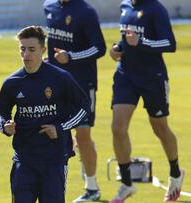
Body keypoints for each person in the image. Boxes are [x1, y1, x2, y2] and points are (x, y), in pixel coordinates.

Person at [0, 25, 90, 203]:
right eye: (22, 49)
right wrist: (5, 126)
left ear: (43, 49)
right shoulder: (11, 83)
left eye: (31, 49)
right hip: (23, 160)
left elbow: (83, 107)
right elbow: (2, 111)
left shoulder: (61, 78)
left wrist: (60, 127)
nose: (26, 55)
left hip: (54, 160)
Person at [109, 0, 184, 202]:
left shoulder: (156, 9)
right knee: (118, 127)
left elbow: (170, 43)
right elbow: (126, 40)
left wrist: (141, 43)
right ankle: (126, 184)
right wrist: (117, 49)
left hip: (153, 78)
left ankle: (176, 174)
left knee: (159, 127)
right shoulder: (125, 6)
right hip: (125, 75)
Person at [43, 0, 106, 201]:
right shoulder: (49, 6)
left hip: (82, 85)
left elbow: (99, 48)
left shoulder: (86, 12)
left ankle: (92, 188)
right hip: (55, 84)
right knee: (55, 133)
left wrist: (71, 57)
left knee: (83, 135)